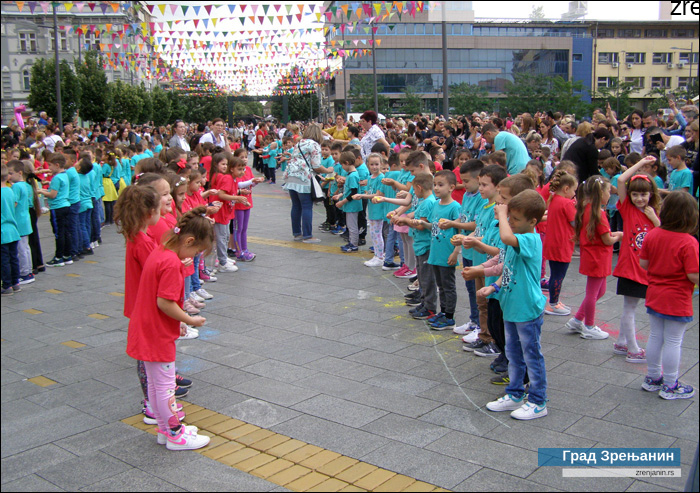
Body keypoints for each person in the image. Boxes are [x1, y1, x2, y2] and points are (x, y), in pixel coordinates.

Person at [125, 207, 211, 450]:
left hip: (146, 327)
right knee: (165, 388)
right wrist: (189, 319)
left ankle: (165, 429)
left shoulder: (160, 251)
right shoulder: (171, 263)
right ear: (189, 240)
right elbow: (165, 302)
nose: (194, 256)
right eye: (196, 251)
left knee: (155, 386)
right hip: (157, 333)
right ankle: (175, 434)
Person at [483, 190, 548, 420]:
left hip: (527, 309)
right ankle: (515, 393)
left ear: (532, 222)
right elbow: (509, 270)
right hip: (510, 306)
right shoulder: (515, 238)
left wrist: (501, 214)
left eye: (515, 219)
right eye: (510, 217)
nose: (510, 222)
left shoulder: (529, 239)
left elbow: (506, 237)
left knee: (531, 354)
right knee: (513, 352)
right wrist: (494, 287)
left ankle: (538, 401)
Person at [640, 191, 698, 400]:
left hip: (655, 293)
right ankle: (670, 384)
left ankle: (653, 377)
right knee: (674, 340)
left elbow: (643, 264)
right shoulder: (688, 242)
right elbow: (693, 274)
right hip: (677, 298)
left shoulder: (653, 234)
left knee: (656, 336)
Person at [611, 156, 661, 363]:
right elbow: (621, 181)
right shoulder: (628, 208)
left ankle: (622, 342)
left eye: (644, 194)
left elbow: (662, 234)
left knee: (631, 307)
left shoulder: (653, 212)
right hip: (630, 266)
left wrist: (654, 219)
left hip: (645, 267)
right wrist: (642, 164)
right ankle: (632, 348)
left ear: (651, 194)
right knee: (629, 308)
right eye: (636, 194)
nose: (640, 198)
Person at [565, 175, 623, 340]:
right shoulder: (598, 213)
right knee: (593, 292)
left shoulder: (587, 209)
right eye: (608, 192)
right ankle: (589, 325)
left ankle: (577, 320)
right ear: (600, 193)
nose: (609, 195)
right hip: (598, 256)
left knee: (600, 290)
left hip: (594, 255)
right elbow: (606, 239)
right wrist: (618, 236)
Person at [462, 165, 507, 352]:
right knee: (482, 302)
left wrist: (474, 242)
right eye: (479, 184)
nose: (480, 188)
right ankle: (484, 335)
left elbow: (497, 248)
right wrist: (470, 238)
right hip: (483, 262)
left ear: (498, 187)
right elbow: (483, 233)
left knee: (491, 306)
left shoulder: (497, 212)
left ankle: (492, 341)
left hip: (490, 266)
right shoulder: (486, 207)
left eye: (484, 185)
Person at [423, 170, 462, 330]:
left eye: (440, 185)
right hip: (436, 253)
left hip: (447, 253)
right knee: (440, 285)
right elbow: (433, 226)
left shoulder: (455, 207)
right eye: (435, 185)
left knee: (448, 285)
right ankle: (443, 311)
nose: (436, 188)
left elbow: (460, 232)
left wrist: (455, 251)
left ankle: (449, 316)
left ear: (452, 187)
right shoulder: (435, 205)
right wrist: (417, 223)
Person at [283, 124, 333, 243]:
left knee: (296, 206)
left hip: (291, 176)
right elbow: (316, 166)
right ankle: (307, 235)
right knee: (306, 205)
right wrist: (328, 170)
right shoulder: (314, 145)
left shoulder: (299, 143)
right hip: (303, 178)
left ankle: (297, 233)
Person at [542, 170, 578, 316]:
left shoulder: (554, 199)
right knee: (558, 275)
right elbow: (575, 222)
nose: (574, 194)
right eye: (574, 190)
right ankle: (553, 303)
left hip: (553, 242)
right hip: (562, 243)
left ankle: (554, 301)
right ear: (566, 188)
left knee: (555, 273)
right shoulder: (567, 203)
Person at [38, 153, 72, 267]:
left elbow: (52, 195)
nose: (49, 168)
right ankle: (67, 255)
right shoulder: (64, 175)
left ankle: (58, 257)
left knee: (58, 233)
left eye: (50, 165)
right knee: (66, 232)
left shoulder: (56, 178)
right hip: (66, 205)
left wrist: (41, 191)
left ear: (57, 165)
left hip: (57, 207)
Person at [352, 153, 385, 266]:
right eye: (372, 164)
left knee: (376, 233)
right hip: (372, 209)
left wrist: (362, 196)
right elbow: (370, 192)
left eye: (377, 164)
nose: (374, 167)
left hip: (378, 210)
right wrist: (365, 194)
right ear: (368, 165)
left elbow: (378, 194)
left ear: (381, 164)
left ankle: (379, 257)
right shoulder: (370, 178)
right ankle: (377, 254)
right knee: (374, 233)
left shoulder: (381, 177)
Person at [7, 161, 35, 284]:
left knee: (21, 249)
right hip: (25, 219)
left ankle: (24, 273)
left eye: (10, 173)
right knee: (25, 247)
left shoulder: (16, 187)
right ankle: (28, 270)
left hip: (19, 221)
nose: (9, 176)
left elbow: (14, 203)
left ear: (19, 173)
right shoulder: (25, 185)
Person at [332, 151, 363, 252]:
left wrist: (343, 201)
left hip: (352, 205)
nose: (342, 167)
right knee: (350, 225)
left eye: (342, 164)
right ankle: (352, 241)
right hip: (350, 205)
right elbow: (349, 190)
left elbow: (353, 193)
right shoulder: (351, 175)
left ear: (347, 163)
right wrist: (340, 195)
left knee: (352, 225)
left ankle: (354, 244)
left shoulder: (353, 176)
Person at [1, 164, 21, 295]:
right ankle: (16, 282)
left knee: (4, 260)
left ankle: (6, 285)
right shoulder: (10, 190)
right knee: (14, 257)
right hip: (13, 229)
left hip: (2, 231)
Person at [75, 158, 94, 256]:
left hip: (82, 204)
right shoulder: (86, 176)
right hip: (88, 202)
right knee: (86, 225)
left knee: (82, 225)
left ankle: (86, 246)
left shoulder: (77, 177)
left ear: (79, 168)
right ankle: (88, 243)